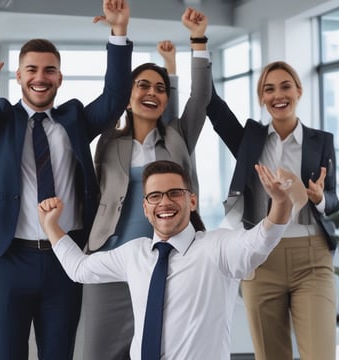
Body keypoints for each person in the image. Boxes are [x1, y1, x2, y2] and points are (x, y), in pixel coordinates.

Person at [0, 0, 132, 358]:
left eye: (49, 70)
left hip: (65, 256)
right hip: (10, 257)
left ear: (59, 77)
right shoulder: (2, 121)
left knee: (58, 353)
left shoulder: (75, 119)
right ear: (19, 77)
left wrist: (118, 33)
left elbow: (117, 98)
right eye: (31, 69)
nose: (40, 77)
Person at [38, 159, 300, 360]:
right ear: (145, 207)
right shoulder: (134, 254)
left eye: (175, 193)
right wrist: (51, 226)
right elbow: (80, 269)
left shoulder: (217, 248)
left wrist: (280, 203)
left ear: (192, 201)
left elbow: (260, 240)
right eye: (155, 196)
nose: (165, 202)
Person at [81, 7, 212, 359]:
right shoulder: (108, 140)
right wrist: (117, 34)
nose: (151, 92)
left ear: (166, 99)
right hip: (109, 260)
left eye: (159, 88)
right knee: (97, 351)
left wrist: (197, 40)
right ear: (127, 95)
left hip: (166, 267)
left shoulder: (178, 138)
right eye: (142, 85)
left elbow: (200, 98)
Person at [206, 61, 339, 360]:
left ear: (299, 90)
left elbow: (334, 199)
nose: (278, 95)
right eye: (269, 89)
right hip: (262, 256)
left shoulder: (322, 141)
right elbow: (213, 107)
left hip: (312, 258)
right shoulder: (249, 140)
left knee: (321, 354)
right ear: (262, 98)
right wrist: (199, 43)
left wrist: (319, 197)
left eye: (285, 86)